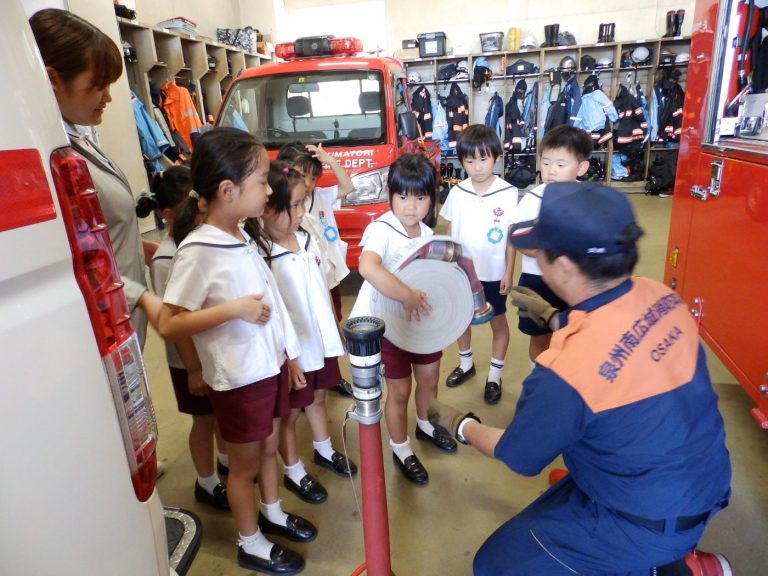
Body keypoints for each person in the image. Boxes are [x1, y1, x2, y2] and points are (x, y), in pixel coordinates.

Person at [429, 182, 732, 576]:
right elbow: (615, 329)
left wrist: (461, 424)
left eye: (542, 255)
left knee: (493, 565)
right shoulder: (659, 297)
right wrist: (553, 316)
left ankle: (676, 569)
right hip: (703, 480)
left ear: (567, 267)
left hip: (646, 521)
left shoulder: (565, 373)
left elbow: (519, 456)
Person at [157, 128, 309, 575]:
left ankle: (273, 512)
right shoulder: (198, 250)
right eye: (262, 181)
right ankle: (250, 541)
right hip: (239, 379)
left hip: (268, 366)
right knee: (242, 465)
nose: (268, 189)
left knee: (267, 449)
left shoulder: (242, 234)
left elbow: (272, 303)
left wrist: (289, 354)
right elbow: (169, 322)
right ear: (228, 190)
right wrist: (232, 310)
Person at [30, 8, 161, 348]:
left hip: (123, 314)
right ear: (52, 80)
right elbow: (74, 257)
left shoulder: (77, 139)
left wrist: (140, 247)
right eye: (97, 85)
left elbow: (102, 227)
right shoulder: (50, 160)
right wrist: (142, 297)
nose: (108, 97)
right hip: (102, 322)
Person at [251, 161, 357, 505]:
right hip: (292, 351)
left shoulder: (307, 237)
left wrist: (333, 328)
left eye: (302, 203)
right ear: (267, 209)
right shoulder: (262, 253)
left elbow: (322, 285)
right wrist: (290, 357)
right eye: (293, 205)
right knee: (290, 411)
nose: (300, 212)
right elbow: (273, 313)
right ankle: (293, 469)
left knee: (319, 396)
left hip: (318, 338)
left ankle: (323, 448)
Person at [349, 153, 456, 486]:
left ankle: (425, 424)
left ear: (432, 198)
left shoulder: (426, 232)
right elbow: (367, 266)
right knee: (399, 391)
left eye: (421, 197)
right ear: (391, 195)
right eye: (403, 196)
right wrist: (406, 295)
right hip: (389, 325)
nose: (411, 206)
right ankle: (401, 448)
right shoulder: (382, 228)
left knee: (429, 378)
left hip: (423, 324)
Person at [137, 166, 229, 509]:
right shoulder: (165, 259)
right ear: (169, 214)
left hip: (208, 351)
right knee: (203, 419)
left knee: (218, 413)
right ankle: (206, 481)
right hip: (186, 359)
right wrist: (192, 369)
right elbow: (172, 322)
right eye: (194, 211)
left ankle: (226, 462)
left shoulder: (195, 245)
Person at [439, 124, 518, 404]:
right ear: (462, 162)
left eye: (483, 159)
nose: (477, 167)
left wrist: (509, 270)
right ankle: (466, 364)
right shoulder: (457, 192)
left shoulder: (508, 193)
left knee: (498, 320)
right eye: (469, 160)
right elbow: (450, 231)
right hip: (462, 272)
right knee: (462, 319)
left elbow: (511, 237)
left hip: (494, 273)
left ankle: (494, 375)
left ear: (496, 157)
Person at [277, 142, 355, 396]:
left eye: (313, 177)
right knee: (308, 327)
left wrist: (330, 160)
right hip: (306, 279)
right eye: (302, 175)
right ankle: (307, 376)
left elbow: (348, 187)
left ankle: (330, 375)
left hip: (328, 275)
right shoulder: (284, 206)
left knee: (333, 322)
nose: (308, 183)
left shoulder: (321, 196)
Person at [513, 125, 591, 365]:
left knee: (574, 334)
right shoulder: (532, 198)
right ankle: (538, 378)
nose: (551, 171)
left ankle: (566, 379)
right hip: (538, 280)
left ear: (581, 167)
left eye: (560, 164)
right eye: (546, 163)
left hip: (577, 281)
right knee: (540, 336)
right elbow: (519, 239)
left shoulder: (590, 199)